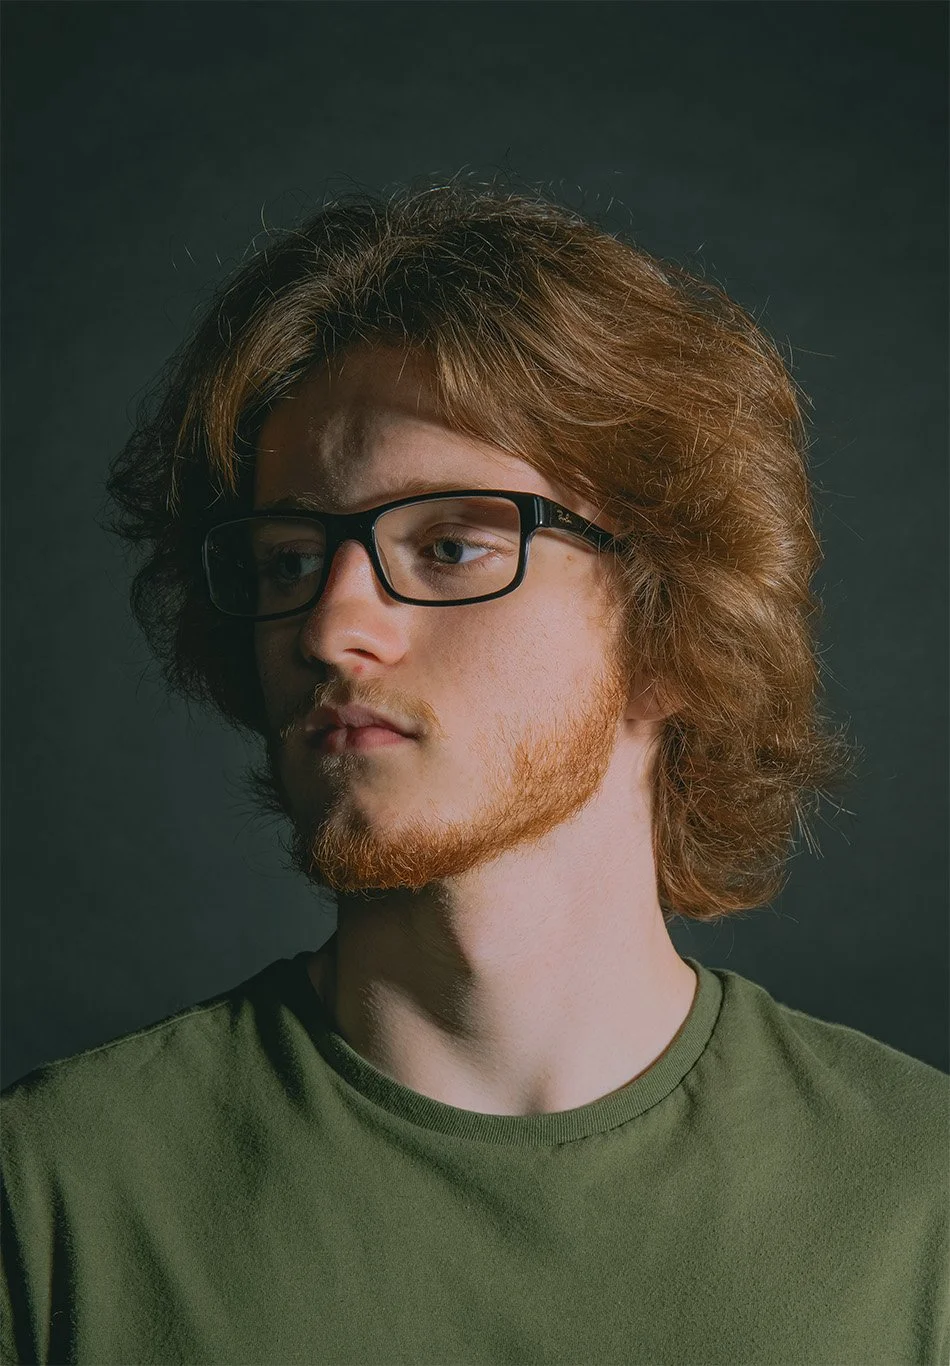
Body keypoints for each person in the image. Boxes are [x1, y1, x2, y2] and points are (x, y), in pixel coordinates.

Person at [2, 177, 946, 1366]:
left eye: (448, 545)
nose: (332, 624)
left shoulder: (921, 1203)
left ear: (672, 622)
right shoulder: (55, 1192)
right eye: (290, 560)